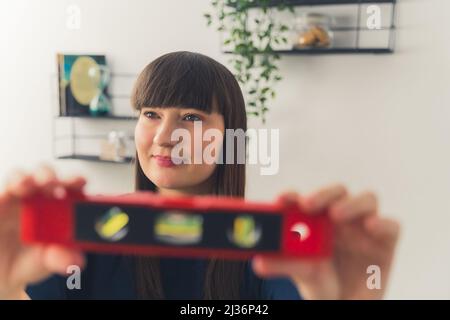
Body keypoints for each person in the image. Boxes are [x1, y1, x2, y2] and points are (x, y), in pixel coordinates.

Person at [0, 51, 400, 300]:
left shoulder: (270, 255)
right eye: (150, 114)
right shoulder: (82, 244)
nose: (163, 137)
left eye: (191, 117)